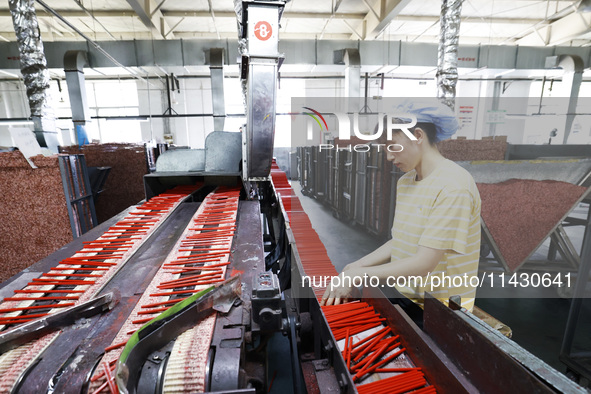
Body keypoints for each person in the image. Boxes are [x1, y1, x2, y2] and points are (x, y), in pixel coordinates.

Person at [320, 101, 481, 321]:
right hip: (405, 295)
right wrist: (355, 266)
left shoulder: (454, 186)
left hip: (443, 312)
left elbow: (424, 263)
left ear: (418, 135)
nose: (388, 157)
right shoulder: (406, 182)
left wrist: (358, 276)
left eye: (392, 146)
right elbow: (401, 240)